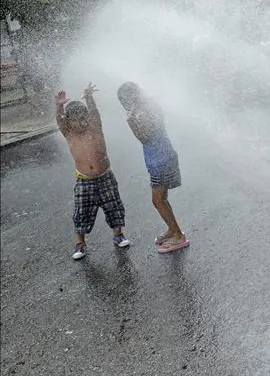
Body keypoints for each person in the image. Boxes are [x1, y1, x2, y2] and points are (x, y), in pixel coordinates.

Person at [56, 84, 130, 260]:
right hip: (84, 180)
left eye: (84, 118)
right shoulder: (69, 133)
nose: (81, 123)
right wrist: (58, 105)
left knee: (114, 207)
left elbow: (94, 112)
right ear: (69, 122)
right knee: (81, 212)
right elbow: (59, 120)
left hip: (105, 177)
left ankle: (118, 234)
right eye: (76, 120)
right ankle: (80, 243)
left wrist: (89, 97)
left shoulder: (95, 127)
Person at [117, 82, 190, 254]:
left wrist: (131, 121)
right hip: (163, 157)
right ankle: (173, 230)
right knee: (162, 199)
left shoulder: (143, 111)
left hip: (160, 161)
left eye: (124, 99)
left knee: (157, 201)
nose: (124, 103)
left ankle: (179, 236)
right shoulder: (149, 105)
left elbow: (145, 137)